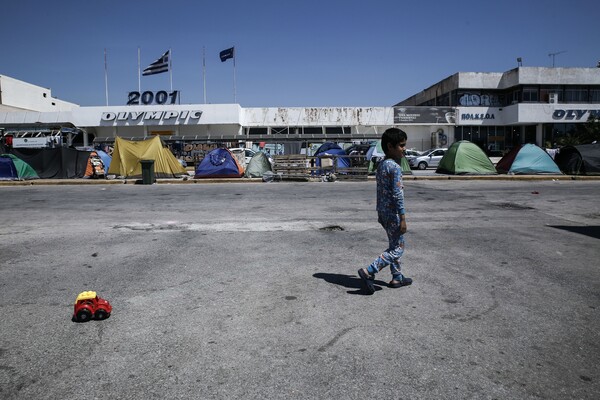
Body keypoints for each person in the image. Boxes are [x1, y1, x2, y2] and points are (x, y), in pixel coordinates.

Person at [358, 128, 412, 294]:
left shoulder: (381, 165)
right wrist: (403, 218)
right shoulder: (394, 167)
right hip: (393, 213)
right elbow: (397, 194)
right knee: (398, 248)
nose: (404, 149)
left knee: (394, 243)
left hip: (383, 212)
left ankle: (397, 277)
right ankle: (369, 271)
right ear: (390, 146)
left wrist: (380, 213)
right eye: (401, 146)